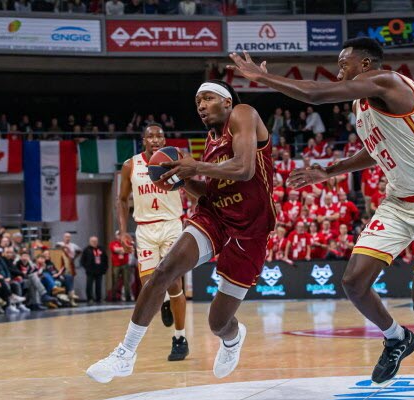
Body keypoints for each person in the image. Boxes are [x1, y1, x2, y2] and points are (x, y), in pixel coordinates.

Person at [231, 39, 414, 400]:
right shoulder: (363, 105)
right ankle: (396, 338)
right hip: (399, 203)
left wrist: (263, 78)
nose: (339, 68)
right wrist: (328, 171)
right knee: (354, 282)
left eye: (345, 62)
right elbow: (375, 149)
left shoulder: (390, 83)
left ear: (366, 64)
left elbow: (316, 94)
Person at [87, 79, 274, 383]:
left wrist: (193, 166)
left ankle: (232, 338)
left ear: (226, 101)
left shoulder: (242, 113)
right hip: (215, 216)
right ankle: (125, 354)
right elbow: (207, 194)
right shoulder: (211, 142)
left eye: (208, 98)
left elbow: (244, 169)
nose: (200, 105)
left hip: (250, 229)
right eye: (197, 101)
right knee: (164, 271)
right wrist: (180, 180)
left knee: (218, 322)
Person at [116, 123, 189, 361]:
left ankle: (180, 337)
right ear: (144, 140)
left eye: (160, 136)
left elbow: (192, 184)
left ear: (165, 139)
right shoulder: (130, 165)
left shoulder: (175, 159)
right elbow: (122, 199)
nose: (156, 139)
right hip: (145, 229)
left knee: (175, 282)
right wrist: (123, 231)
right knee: (149, 287)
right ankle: (165, 299)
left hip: (171, 224)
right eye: (151, 136)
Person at [81, 236, 108, 304]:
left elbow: (105, 259)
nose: (94, 243)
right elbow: (82, 260)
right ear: (90, 242)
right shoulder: (86, 250)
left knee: (98, 285)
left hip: (99, 270)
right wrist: (87, 267)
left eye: (95, 241)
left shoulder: (101, 249)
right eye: (93, 241)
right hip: (90, 271)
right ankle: (89, 298)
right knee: (89, 285)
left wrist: (105, 269)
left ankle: (98, 298)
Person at [109, 231, 132, 302]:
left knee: (126, 281)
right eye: (118, 235)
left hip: (125, 264)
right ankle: (114, 297)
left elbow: (129, 249)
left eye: (120, 235)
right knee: (115, 281)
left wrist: (120, 250)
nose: (119, 236)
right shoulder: (113, 243)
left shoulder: (126, 243)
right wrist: (123, 250)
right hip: (116, 264)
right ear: (116, 236)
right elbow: (114, 249)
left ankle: (128, 297)